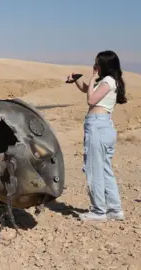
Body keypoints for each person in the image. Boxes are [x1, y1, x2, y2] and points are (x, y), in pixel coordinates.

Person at [67, 50, 127, 222]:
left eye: (97, 63)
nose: (94, 66)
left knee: (94, 169)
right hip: (104, 126)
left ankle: (99, 211)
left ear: (104, 65)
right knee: (105, 169)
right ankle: (115, 209)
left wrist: (93, 78)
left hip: (97, 126)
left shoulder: (107, 81)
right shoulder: (109, 81)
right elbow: (88, 91)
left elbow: (91, 100)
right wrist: (78, 80)